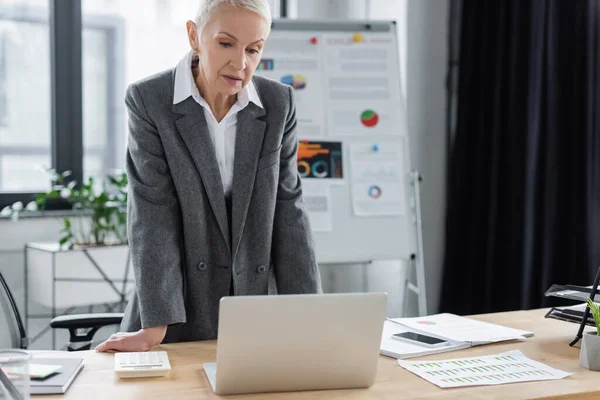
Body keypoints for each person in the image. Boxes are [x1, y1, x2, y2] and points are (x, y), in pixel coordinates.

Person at [96, 0, 322, 352]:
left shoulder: (279, 104)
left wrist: (310, 315)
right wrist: (156, 325)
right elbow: (152, 214)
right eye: (226, 43)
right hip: (176, 308)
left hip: (255, 307)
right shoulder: (149, 100)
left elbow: (288, 210)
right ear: (194, 36)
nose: (240, 63)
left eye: (253, 49)